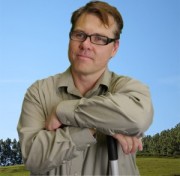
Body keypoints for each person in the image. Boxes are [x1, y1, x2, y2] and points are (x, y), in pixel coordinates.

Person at [17, 1, 153, 175]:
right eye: (80, 35)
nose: (86, 44)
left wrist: (63, 111)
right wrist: (97, 127)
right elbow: (33, 159)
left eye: (99, 38)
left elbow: (138, 118)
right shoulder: (39, 92)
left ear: (114, 48)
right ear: (70, 38)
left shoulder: (128, 88)